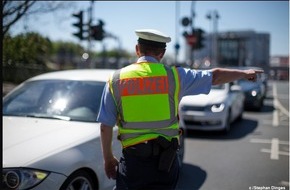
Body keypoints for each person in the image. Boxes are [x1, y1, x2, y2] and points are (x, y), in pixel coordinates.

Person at [97, 29, 263, 190]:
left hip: (133, 164)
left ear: (137, 49)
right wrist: (244, 73)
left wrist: (108, 158)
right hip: (165, 165)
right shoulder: (175, 77)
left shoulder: (116, 80)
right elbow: (215, 76)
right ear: (162, 53)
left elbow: (105, 126)